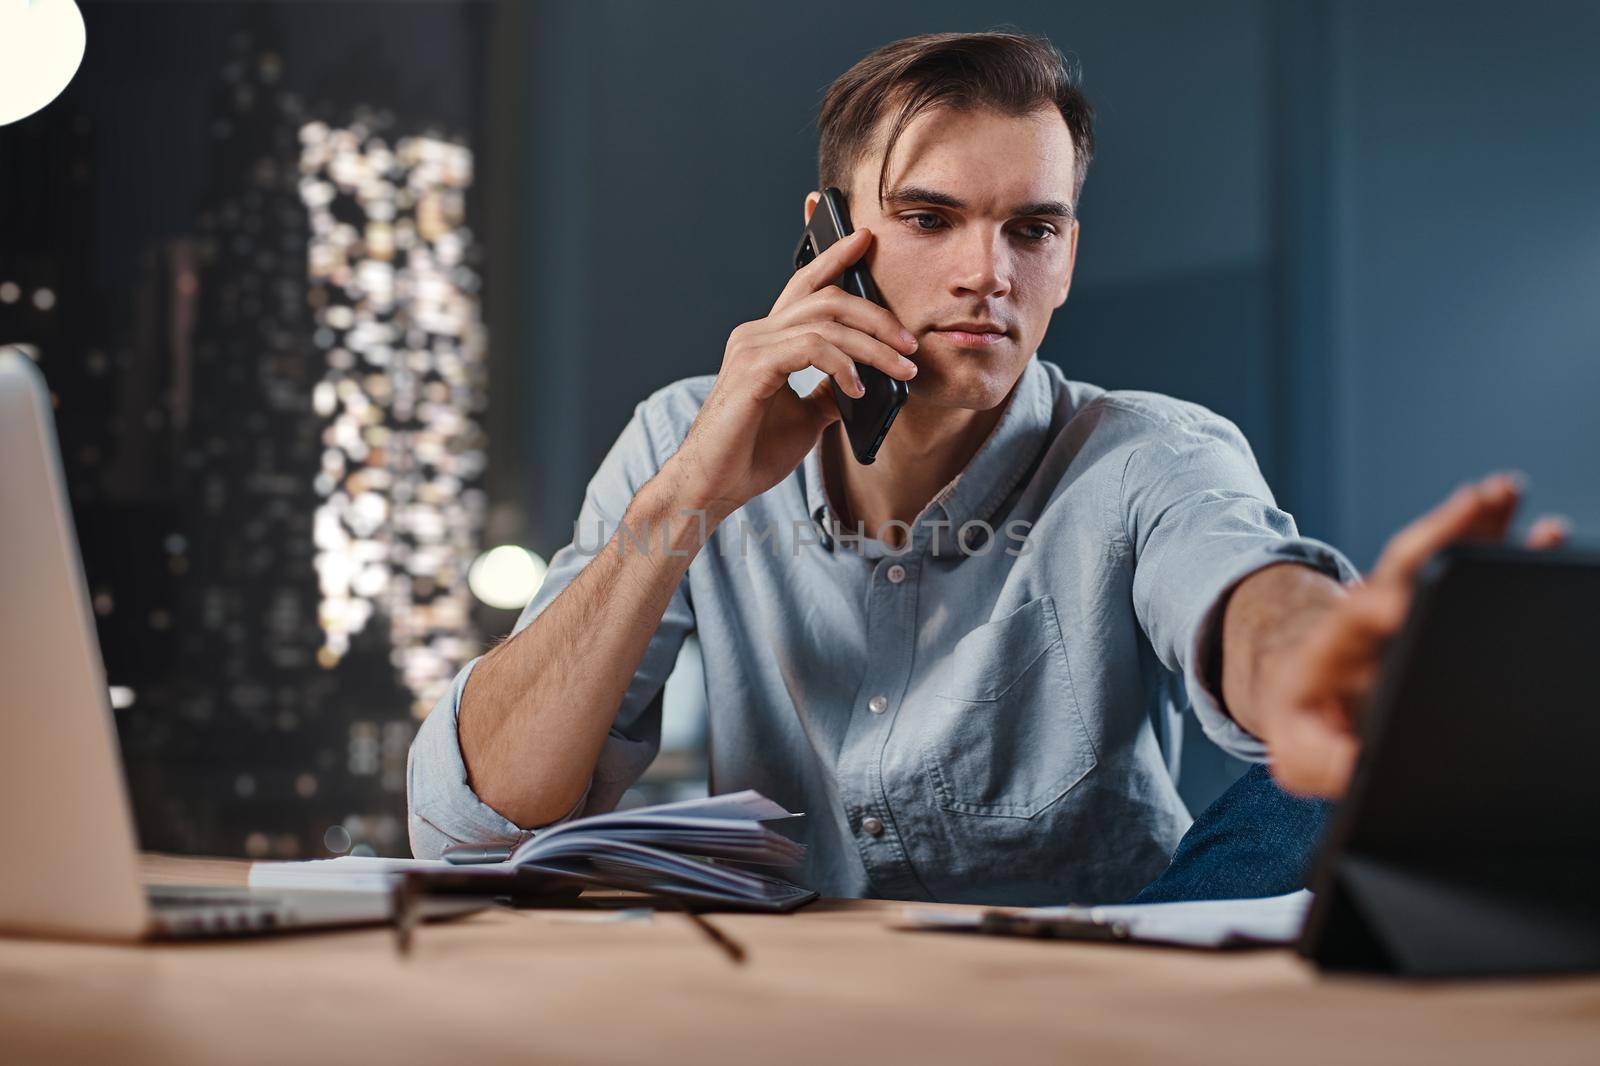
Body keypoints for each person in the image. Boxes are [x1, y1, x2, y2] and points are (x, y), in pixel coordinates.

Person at [406, 30, 1565, 905]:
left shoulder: (1145, 450)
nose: (986, 274)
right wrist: (684, 505)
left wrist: (1323, 662)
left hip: (1095, 979)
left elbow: (1246, 584)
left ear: (1068, 252)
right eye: (927, 218)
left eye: (1032, 229)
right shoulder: (679, 439)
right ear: (827, 238)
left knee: (1303, 798)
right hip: (803, 984)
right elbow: (474, 827)